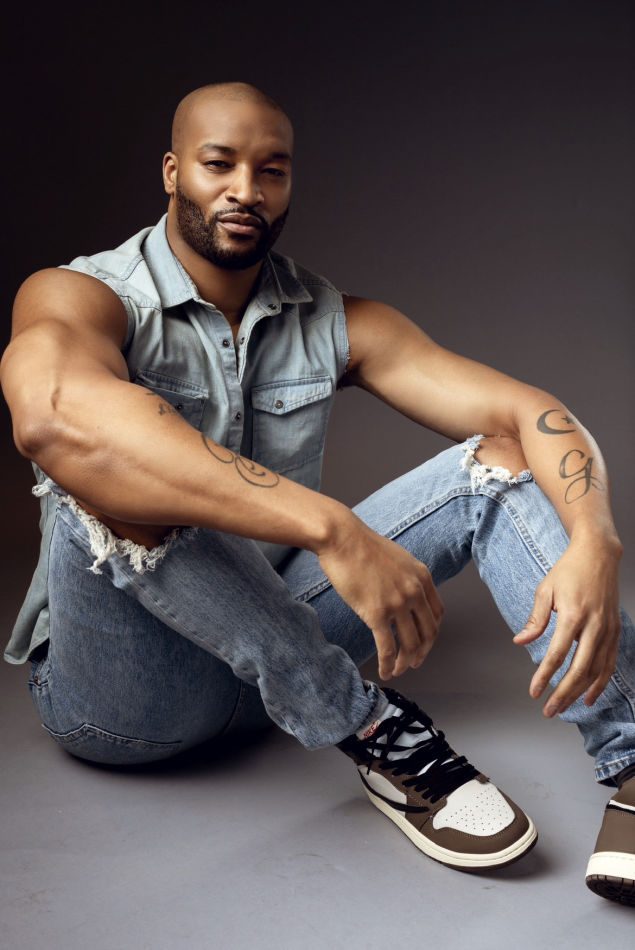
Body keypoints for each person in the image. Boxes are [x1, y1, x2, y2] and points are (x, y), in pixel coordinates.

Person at [1, 82, 634, 906]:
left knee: (500, 461)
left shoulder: (331, 317)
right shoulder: (78, 294)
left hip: (274, 650)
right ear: (172, 171)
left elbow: (525, 411)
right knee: (110, 470)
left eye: (271, 171)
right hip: (129, 700)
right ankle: (371, 728)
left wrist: (594, 539)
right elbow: (51, 417)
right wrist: (332, 529)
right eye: (219, 165)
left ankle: (632, 759)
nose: (245, 191)